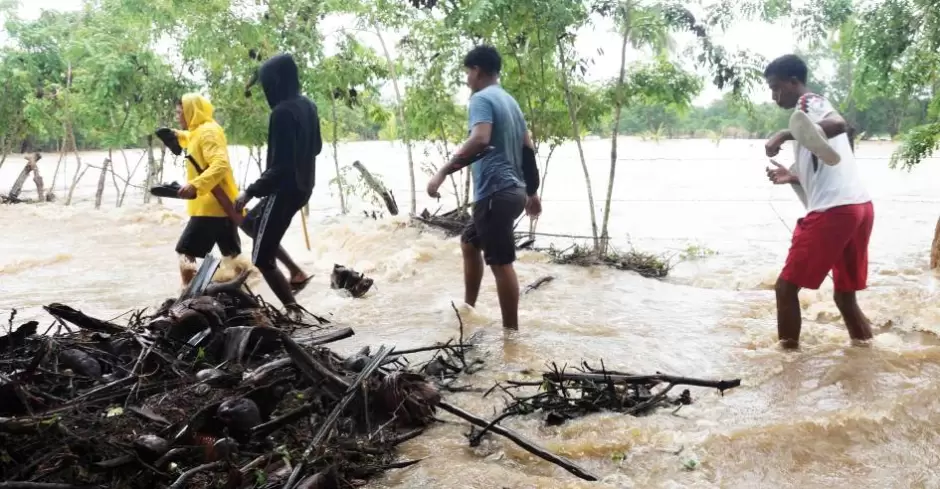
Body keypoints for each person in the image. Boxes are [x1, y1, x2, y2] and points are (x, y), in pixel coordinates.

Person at [426, 45, 542, 330]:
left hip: (495, 192)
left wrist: (442, 172)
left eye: (467, 72)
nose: (467, 79)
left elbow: (479, 139)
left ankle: (511, 336)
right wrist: (531, 191)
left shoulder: (481, 98)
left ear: (477, 70)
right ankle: (469, 309)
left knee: (501, 263)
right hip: (512, 191)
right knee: (469, 242)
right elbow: (527, 148)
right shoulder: (510, 102)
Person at [763, 54, 874, 349]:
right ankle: (868, 355)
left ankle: (786, 367)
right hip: (860, 207)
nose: (775, 96)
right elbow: (824, 161)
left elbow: (838, 122)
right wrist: (792, 176)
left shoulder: (808, 103)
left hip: (835, 212)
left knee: (785, 288)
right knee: (844, 297)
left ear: (793, 82)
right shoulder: (807, 124)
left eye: (777, 88)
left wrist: (786, 134)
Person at [235, 53, 322, 315]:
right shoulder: (308, 105)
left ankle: (294, 312)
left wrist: (249, 192)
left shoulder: (281, 113)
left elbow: (280, 167)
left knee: (261, 259)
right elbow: (316, 148)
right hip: (304, 187)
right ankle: (296, 272)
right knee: (251, 223)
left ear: (276, 83)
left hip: (283, 190)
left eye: (267, 85)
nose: (265, 92)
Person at [169, 94, 244, 288]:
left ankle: (188, 294)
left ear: (191, 112)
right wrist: (177, 135)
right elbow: (192, 139)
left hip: (210, 205)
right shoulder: (201, 130)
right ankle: (242, 292)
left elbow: (220, 164)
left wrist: (196, 185)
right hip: (222, 205)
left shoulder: (208, 132)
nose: (178, 116)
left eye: (180, 113)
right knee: (233, 258)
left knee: (186, 252)